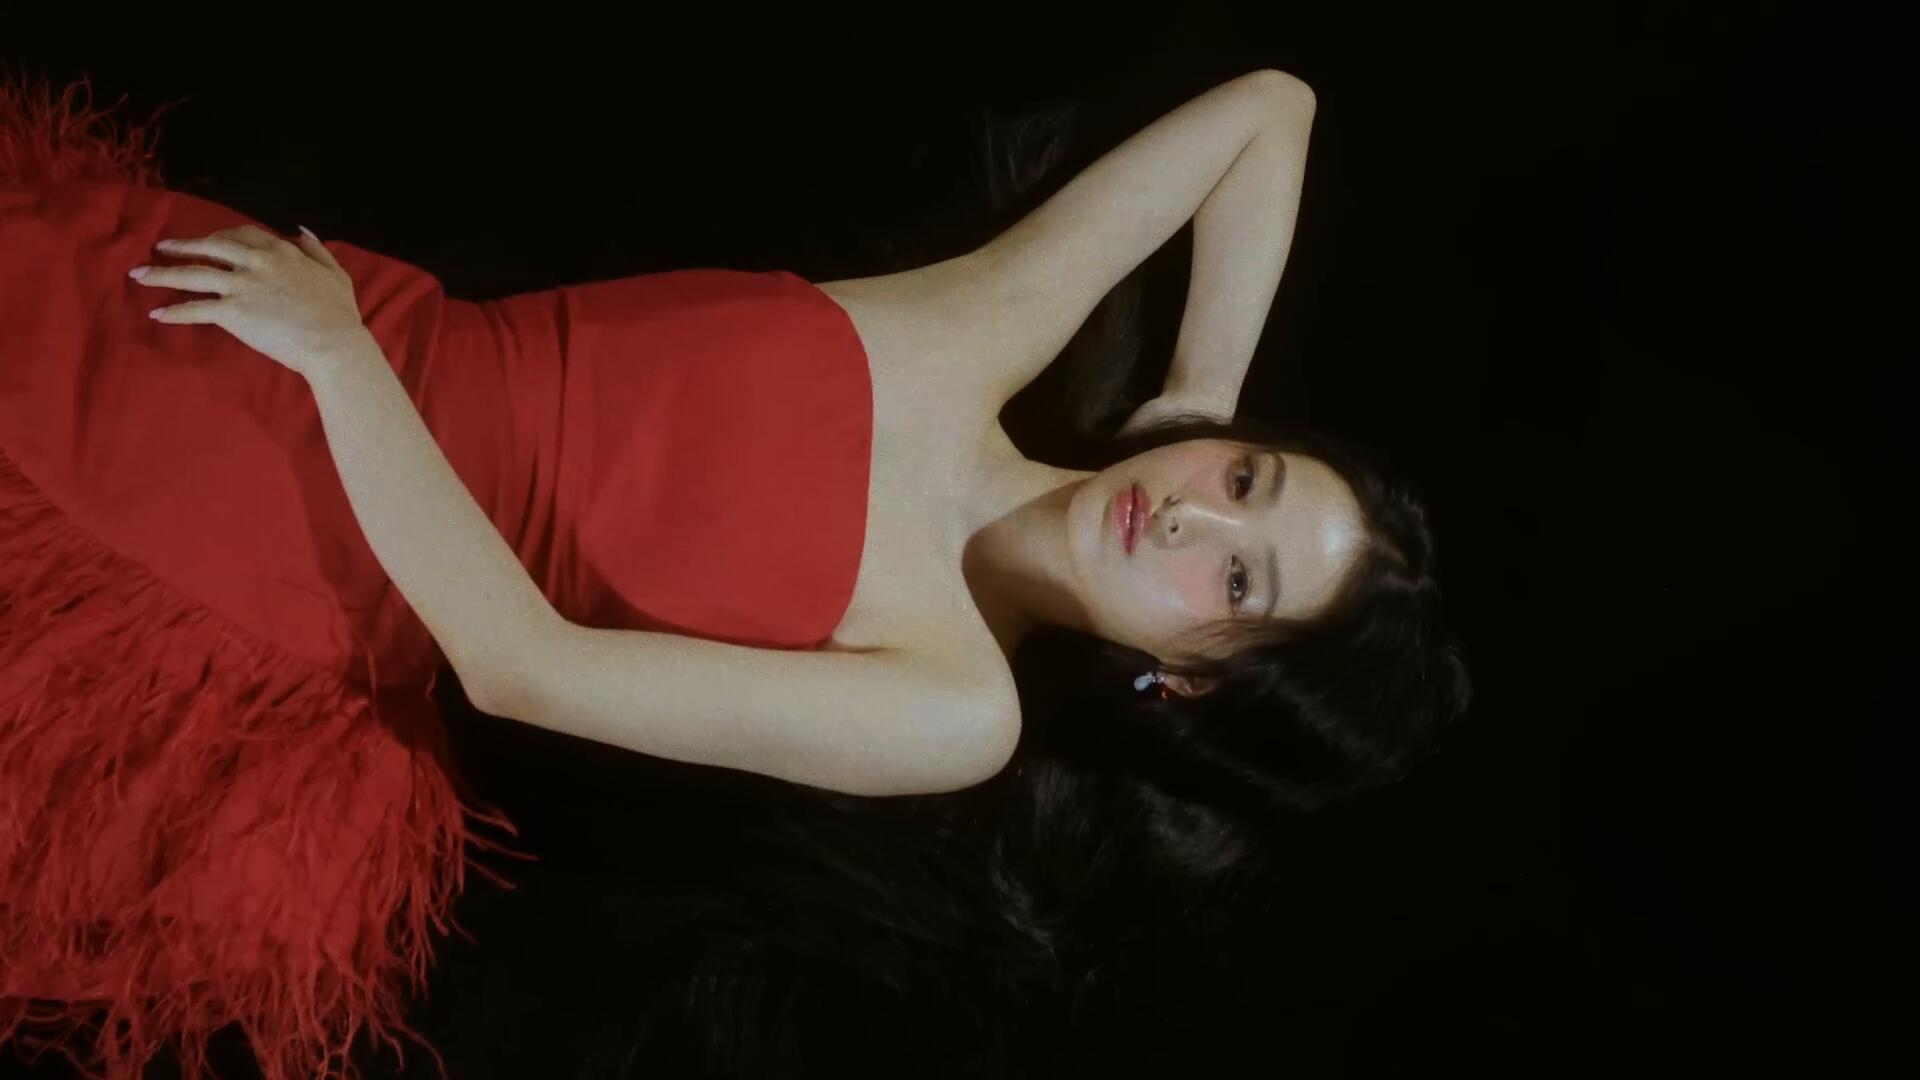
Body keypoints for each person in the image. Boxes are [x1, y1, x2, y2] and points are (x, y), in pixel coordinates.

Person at [0, 64, 1468, 1079]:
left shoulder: (956, 708)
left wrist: (335, 362)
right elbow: (1274, 110)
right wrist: (1194, 400)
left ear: (1189, 685)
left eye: (1239, 587)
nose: (1194, 523)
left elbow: (523, 668)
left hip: (289, 542)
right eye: (1245, 483)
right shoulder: (982, 325)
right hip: (300, 320)